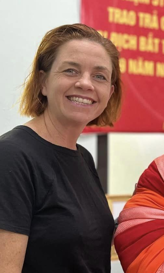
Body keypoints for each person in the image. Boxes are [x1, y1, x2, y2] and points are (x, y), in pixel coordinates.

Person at [0, 23, 122, 272]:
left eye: (99, 76)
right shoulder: (11, 156)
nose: (85, 84)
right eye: (71, 71)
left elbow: (81, 248)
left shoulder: (83, 157)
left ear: (109, 92)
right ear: (43, 82)